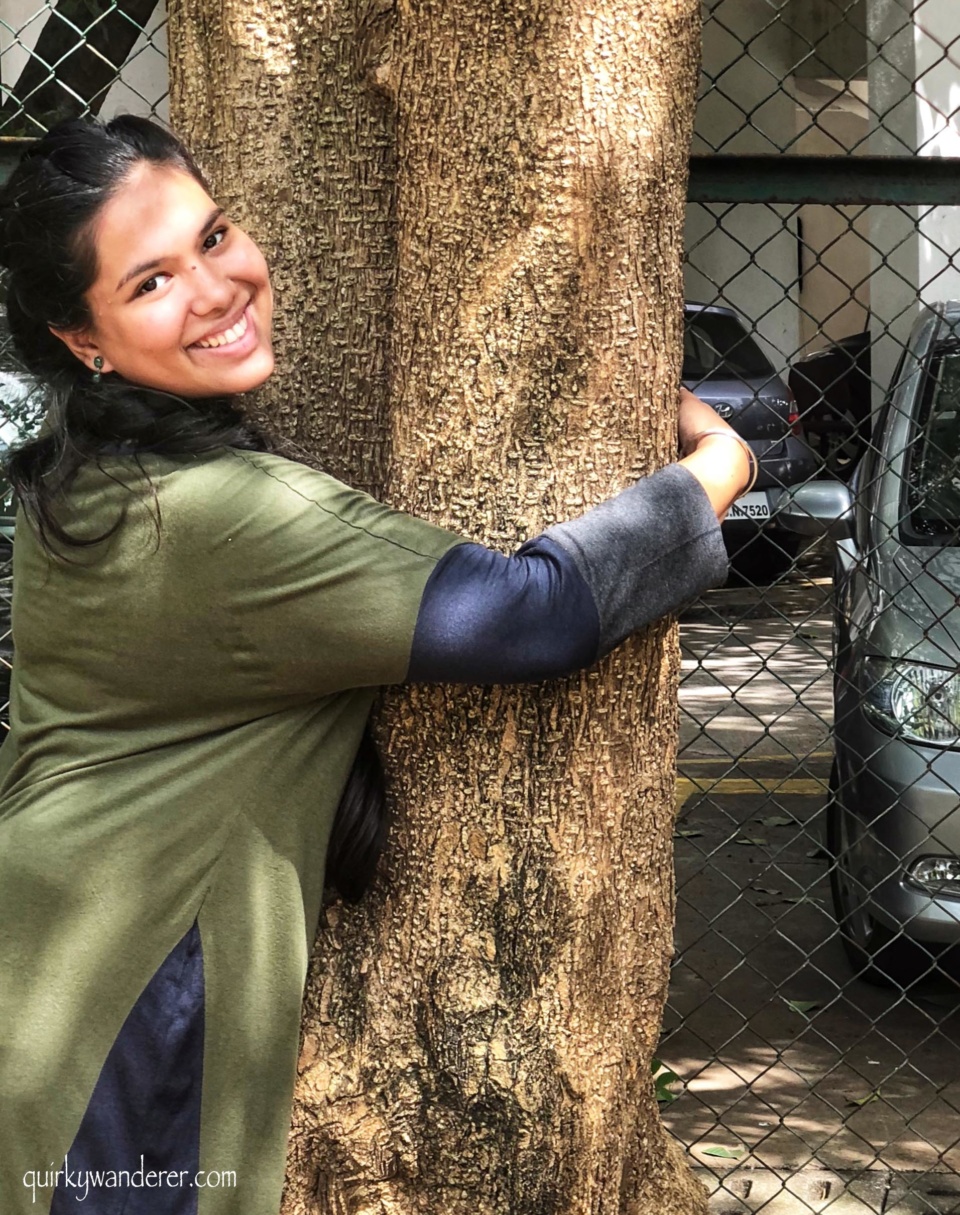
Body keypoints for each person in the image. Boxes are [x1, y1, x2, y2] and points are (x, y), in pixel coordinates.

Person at [0, 114, 754, 1215]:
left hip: (68, 953)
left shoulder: (89, 479)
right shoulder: (212, 516)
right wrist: (718, 465)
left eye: (213, 239)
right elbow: (528, 615)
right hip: (121, 995)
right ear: (85, 341)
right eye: (153, 280)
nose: (214, 289)